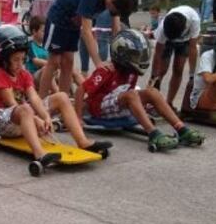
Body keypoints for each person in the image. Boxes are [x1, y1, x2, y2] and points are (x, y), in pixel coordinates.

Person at [0, 25, 112, 161]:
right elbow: (12, 104)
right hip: (3, 123)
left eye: (23, 59)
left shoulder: (24, 74)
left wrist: (45, 116)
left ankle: (83, 142)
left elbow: (34, 97)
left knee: (62, 97)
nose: (20, 64)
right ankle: (39, 153)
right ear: (2, 60)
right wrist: (35, 119)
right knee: (25, 108)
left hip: (23, 118)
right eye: (16, 60)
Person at [76, 30, 205, 151]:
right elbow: (81, 89)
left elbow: (130, 95)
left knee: (152, 92)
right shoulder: (106, 71)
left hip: (119, 104)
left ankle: (181, 129)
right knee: (132, 94)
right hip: (100, 109)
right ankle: (153, 133)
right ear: (122, 53)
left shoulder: (132, 71)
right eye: (136, 55)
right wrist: (78, 118)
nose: (140, 59)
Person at [39, 0, 138, 98]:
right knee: (54, 62)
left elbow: (116, 29)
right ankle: (42, 100)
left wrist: (116, 58)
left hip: (73, 24)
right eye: (116, 10)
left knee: (68, 62)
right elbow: (86, 32)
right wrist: (98, 63)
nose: (115, 13)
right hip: (58, 20)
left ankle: (63, 98)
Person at [149, 5, 201, 108]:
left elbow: (192, 48)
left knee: (178, 69)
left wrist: (191, 75)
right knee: (161, 70)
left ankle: (169, 102)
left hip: (185, 42)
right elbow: (158, 53)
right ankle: (151, 102)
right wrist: (154, 76)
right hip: (166, 42)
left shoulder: (194, 21)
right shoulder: (163, 27)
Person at [25, 14, 49, 84]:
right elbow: (36, 61)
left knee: (68, 70)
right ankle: (58, 91)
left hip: (47, 71)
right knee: (47, 70)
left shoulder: (47, 45)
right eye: (44, 31)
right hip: (34, 75)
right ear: (34, 31)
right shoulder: (29, 45)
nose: (46, 33)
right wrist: (52, 65)